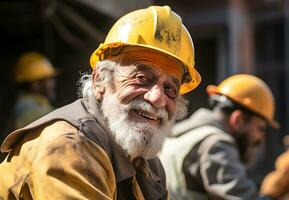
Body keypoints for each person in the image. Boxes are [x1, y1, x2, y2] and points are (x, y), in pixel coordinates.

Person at [0, 5, 201, 199]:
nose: (157, 98)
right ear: (100, 81)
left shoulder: (146, 162)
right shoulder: (68, 145)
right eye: (141, 78)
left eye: (170, 89)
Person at [160, 74, 279, 200]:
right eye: (260, 128)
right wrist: (275, 192)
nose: (261, 137)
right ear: (237, 120)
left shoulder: (179, 137)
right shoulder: (216, 144)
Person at [0, 52, 58, 161]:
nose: (53, 83)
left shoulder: (22, 105)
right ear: (35, 84)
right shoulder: (30, 110)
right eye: (49, 79)